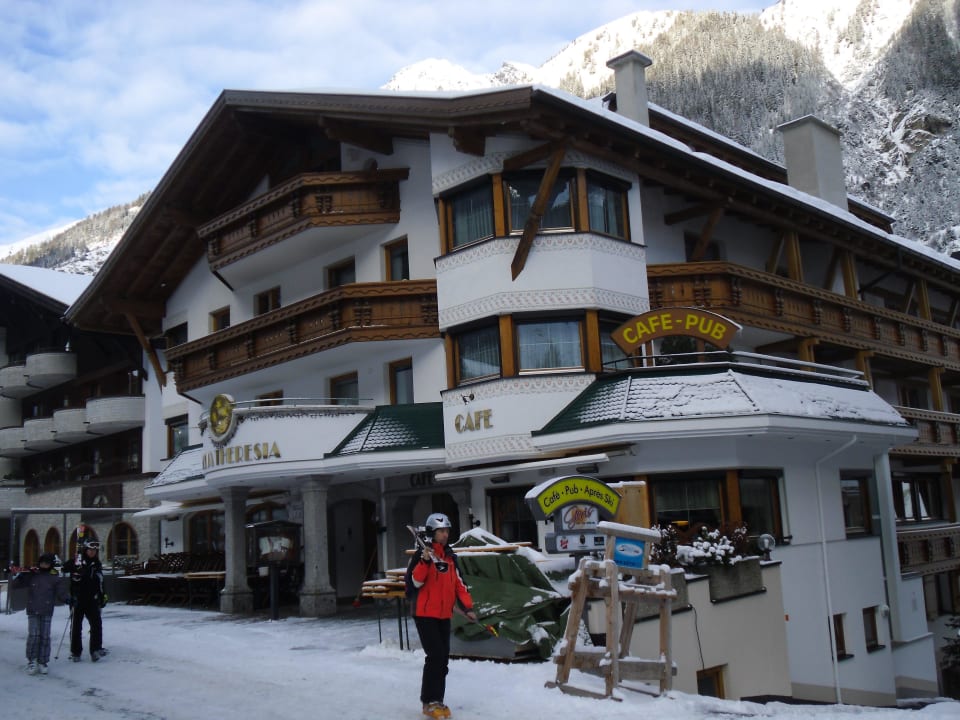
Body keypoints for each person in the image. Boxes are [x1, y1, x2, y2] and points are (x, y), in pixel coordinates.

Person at [407, 513, 477, 720]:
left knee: (443, 659)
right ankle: (429, 701)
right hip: (424, 614)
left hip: (444, 614)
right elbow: (414, 584)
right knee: (435, 656)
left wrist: (467, 608)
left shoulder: (450, 557)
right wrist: (425, 562)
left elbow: (459, 585)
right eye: (441, 531)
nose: (445, 535)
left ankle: (437, 700)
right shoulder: (421, 555)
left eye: (447, 531)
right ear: (431, 533)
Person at [10, 553, 69, 675]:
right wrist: (22, 576)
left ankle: (43, 661)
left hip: (47, 610)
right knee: (34, 635)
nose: (44, 565)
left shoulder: (54, 577)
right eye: (42, 562)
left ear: (51, 564)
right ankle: (32, 660)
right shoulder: (32, 575)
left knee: (45, 636)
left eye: (47, 563)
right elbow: (15, 585)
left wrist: (69, 599)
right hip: (33, 610)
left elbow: (61, 593)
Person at [62, 539, 108, 662]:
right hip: (77, 598)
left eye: (94, 550)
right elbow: (64, 568)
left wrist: (103, 595)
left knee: (96, 624)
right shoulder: (77, 561)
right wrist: (74, 565)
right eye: (90, 550)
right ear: (85, 550)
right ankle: (76, 652)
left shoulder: (96, 564)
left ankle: (95, 649)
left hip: (92, 599)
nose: (92, 552)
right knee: (76, 626)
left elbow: (100, 580)